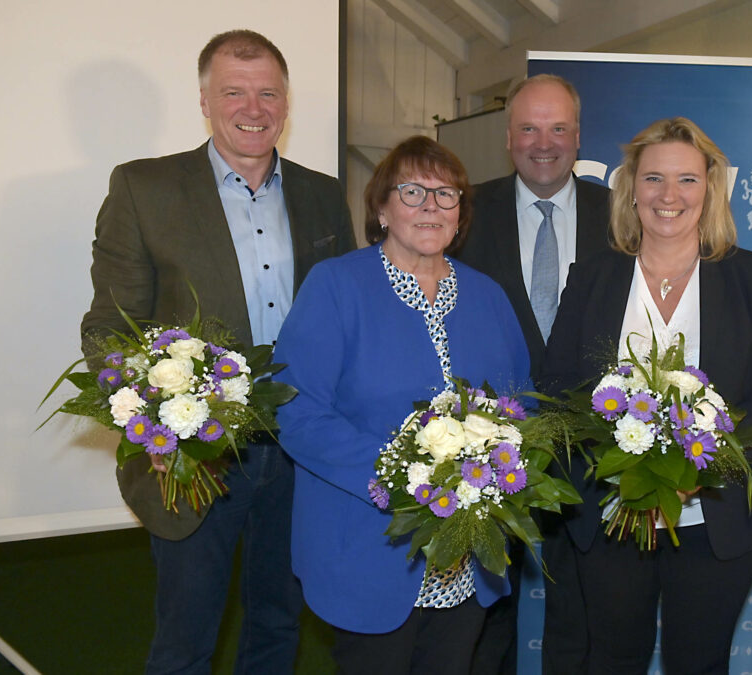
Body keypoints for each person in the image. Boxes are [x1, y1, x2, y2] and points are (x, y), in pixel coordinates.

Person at [79, 29, 355, 673]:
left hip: (299, 450)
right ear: (205, 101)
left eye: (268, 94)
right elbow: (108, 327)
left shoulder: (322, 194)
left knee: (277, 626)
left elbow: (346, 317)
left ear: (286, 103)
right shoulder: (143, 188)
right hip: (196, 456)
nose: (253, 109)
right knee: (186, 639)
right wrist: (152, 413)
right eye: (234, 92)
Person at [541, 117, 752, 674]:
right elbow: (557, 384)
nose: (669, 195)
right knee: (612, 660)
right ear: (631, 189)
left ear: (709, 189)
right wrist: (612, 452)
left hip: (717, 519)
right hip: (611, 515)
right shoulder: (592, 277)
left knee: (699, 663)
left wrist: (708, 456)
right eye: (654, 178)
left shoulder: (751, 277)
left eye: (687, 179)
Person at [272, 135, 530, 675]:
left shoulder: (489, 296)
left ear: (460, 214)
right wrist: (405, 475)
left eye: (446, 194)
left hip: (466, 553)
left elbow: (520, 405)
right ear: (382, 209)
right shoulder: (336, 286)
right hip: (368, 544)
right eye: (412, 191)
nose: (431, 206)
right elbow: (296, 410)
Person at [458, 73, 611, 674]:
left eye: (557, 128)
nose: (543, 143)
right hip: (487, 446)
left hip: (592, 451)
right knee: (487, 622)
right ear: (507, 137)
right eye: (528, 128)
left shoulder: (621, 214)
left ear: (578, 136)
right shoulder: (464, 211)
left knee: (582, 620)